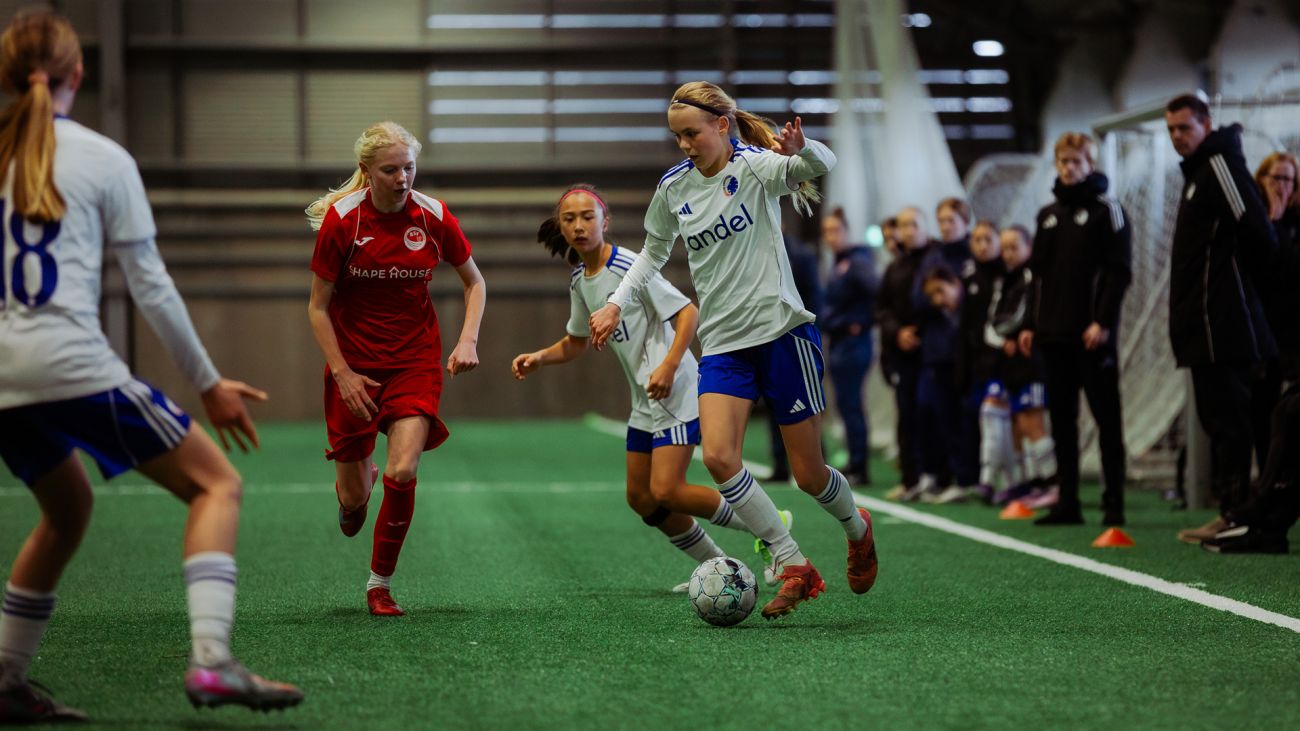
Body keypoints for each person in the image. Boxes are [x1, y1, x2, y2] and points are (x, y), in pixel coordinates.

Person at [0, 9, 301, 722]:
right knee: (215, 483)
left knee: (67, 509)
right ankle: (212, 661)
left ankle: (5, 678)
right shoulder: (104, 159)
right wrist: (208, 382)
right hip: (70, 366)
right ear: (79, 74)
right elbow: (152, 285)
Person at [587, 81, 877, 620]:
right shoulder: (673, 187)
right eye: (676, 137)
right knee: (720, 458)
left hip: (783, 335)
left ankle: (857, 530)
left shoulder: (756, 167)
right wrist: (614, 303)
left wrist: (799, 152)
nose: (684, 145)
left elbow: (821, 164)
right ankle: (793, 563)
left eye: (691, 134)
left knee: (809, 475)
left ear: (722, 126)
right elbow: (652, 253)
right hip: (723, 344)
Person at [511, 184, 778, 590]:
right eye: (570, 219)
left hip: (674, 389)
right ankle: (718, 567)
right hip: (644, 400)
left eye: (588, 216)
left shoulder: (629, 266)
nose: (579, 226)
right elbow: (576, 341)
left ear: (606, 221)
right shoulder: (581, 280)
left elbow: (689, 312)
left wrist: (669, 366)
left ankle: (772, 531)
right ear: (560, 226)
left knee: (667, 489)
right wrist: (539, 357)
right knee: (641, 498)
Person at [306, 121, 486, 616]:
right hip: (355, 367)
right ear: (367, 172)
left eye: (409, 167)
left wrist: (467, 337)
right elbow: (317, 308)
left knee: (403, 471)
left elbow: (475, 282)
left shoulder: (432, 216)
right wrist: (341, 373)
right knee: (354, 500)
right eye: (390, 170)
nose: (403, 177)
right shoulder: (343, 222)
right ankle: (351, 492)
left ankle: (379, 584)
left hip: (414, 360)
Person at [1162, 95, 1278, 543]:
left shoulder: (1220, 166)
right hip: (1199, 325)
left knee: (1232, 423)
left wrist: (1238, 292)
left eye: (1184, 128)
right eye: (1171, 130)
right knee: (1217, 423)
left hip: (1223, 325)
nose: (1177, 137)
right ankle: (1230, 512)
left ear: (1205, 124)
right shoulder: (1197, 173)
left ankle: (1239, 516)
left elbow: (1258, 231)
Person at [1019, 132, 1131, 527]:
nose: (1070, 168)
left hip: (1092, 335)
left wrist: (1102, 321)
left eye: (1077, 161)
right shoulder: (1048, 215)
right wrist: (1031, 323)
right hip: (1054, 336)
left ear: (1091, 163)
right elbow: (1037, 276)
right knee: (1062, 422)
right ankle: (1068, 503)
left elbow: (1119, 273)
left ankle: (1114, 502)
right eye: (1064, 162)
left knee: (1106, 418)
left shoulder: (1108, 210)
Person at [910, 198, 976, 503]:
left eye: (952, 220)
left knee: (961, 417)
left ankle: (966, 477)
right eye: (942, 220)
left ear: (965, 221)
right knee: (930, 414)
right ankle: (938, 476)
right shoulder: (933, 257)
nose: (947, 226)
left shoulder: (973, 254)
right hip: (936, 351)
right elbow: (917, 298)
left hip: (966, 352)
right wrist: (936, 299)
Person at [988, 226, 1058, 509]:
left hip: (1033, 363)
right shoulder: (1006, 279)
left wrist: (1009, 332)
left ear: (1029, 246)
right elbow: (993, 318)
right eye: (1004, 247)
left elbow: (1016, 316)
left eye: (1014, 246)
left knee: (1034, 424)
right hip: (1012, 366)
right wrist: (1004, 335)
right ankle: (1035, 483)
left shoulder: (1031, 276)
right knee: (1020, 426)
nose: (1008, 253)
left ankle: (1054, 483)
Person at [1247, 152, 1298, 476]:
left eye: (1287, 179)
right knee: (1261, 410)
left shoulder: (1295, 225)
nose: (1281, 186)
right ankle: (1265, 481)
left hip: (1291, 331)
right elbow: (1261, 270)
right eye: (1274, 178)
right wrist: (1271, 221)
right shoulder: (1251, 222)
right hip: (1260, 331)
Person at [819, 206, 878, 486]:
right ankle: (855, 461)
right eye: (826, 232)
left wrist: (861, 322)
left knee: (852, 405)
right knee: (845, 404)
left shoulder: (857, 261)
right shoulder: (840, 262)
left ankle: (860, 466)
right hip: (841, 343)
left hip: (854, 343)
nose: (830, 237)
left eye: (835, 230)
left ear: (846, 232)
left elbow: (877, 292)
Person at [959, 220, 1011, 502]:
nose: (982, 245)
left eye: (987, 239)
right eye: (977, 240)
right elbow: (966, 327)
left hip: (1002, 362)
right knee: (984, 421)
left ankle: (1000, 481)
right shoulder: (970, 276)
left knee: (999, 422)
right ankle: (988, 479)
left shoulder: (1007, 275)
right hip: (977, 363)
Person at [878, 207, 928, 500]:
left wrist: (915, 332)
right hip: (900, 354)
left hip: (928, 352)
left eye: (912, 225)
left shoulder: (933, 261)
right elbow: (882, 309)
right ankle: (911, 479)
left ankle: (934, 476)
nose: (906, 232)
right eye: (903, 226)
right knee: (906, 416)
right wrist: (898, 333)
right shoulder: (894, 268)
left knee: (927, 414)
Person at [766, 230, 823, 483]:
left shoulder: (800, 255)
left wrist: (807, 329)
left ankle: (819, 463)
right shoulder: (755, 250)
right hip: (766, 338)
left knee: (808, 405)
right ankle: (780, 465)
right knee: (773, 406)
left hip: (795, 336)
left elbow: (814, 295)